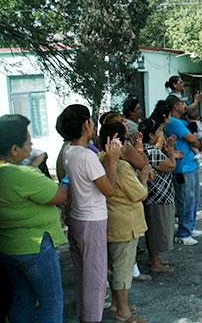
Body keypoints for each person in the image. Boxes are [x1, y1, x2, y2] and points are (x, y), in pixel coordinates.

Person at [56, 104, 121, 323]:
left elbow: (90, 175)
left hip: (77, 217)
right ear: (86, 125)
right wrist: (112, 160)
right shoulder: (86, 156)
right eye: (92, 121)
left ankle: (84, 314)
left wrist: (106, 159)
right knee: (95, 275)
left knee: (82, 273)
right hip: (92, 220)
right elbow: (109, 190)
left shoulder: (69, 151)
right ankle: (92, 318)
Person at [0, 114, 67, 323]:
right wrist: (64, 179)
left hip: (9, 246)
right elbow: (59, 195)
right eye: (28, 143)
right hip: (36, 246)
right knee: (51, 301)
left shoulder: (11, 173)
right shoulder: (22, 175)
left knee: (22, 299)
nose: (32, 146)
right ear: (14, 149)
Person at [98, 122, 151, 323]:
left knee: (113, 267)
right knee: (123, 269)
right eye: (125, 141)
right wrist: (143, 179)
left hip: (110, 221)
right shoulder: (120, 166)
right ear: (116, 143)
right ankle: (123, 312)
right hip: (126, 224)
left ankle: (116, 305)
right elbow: (139, 195)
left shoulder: (100, 159)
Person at [164, 95, 202, 246]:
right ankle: (183, 232)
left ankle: (190, 227)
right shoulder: (173, 122)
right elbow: (192, 139)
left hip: (190, 165)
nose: (185, 106)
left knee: (193, 200)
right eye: (182, 103)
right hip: (182, 167)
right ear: (175, 106)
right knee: (185, 200)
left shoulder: (181, 121)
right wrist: (199, 144)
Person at [139, 119, 177, 273]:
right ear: (151, 135)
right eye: (159, 132)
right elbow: (170, 166)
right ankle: (155, 263)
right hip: (158, 196)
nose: (161, 134)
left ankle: (154, 259)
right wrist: (171, 151)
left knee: (155, 228)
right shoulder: (151, 151)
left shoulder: (149, 150)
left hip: (155, 195)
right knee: (157, 229)